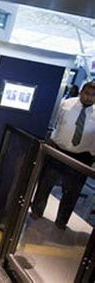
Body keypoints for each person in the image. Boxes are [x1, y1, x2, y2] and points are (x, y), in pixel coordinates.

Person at [30, 81, 95, 230]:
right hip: (58, 151)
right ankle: (36, 211)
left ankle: (61, 221)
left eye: (93, 95)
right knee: (46, 183)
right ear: (81, 93)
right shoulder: (66, 104)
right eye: (87, 93)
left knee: (72, 192)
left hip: (82, 157)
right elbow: (54, 122)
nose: (89, 97)